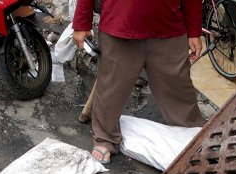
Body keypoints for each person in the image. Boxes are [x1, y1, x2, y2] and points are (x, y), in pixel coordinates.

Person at [71, 0, 204, 165]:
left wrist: (194, 31)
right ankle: (105, 138)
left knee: (179, 89)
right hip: (120, 25)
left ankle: (193, 137)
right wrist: (81, 24)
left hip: (168, 28)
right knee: (111, 89)